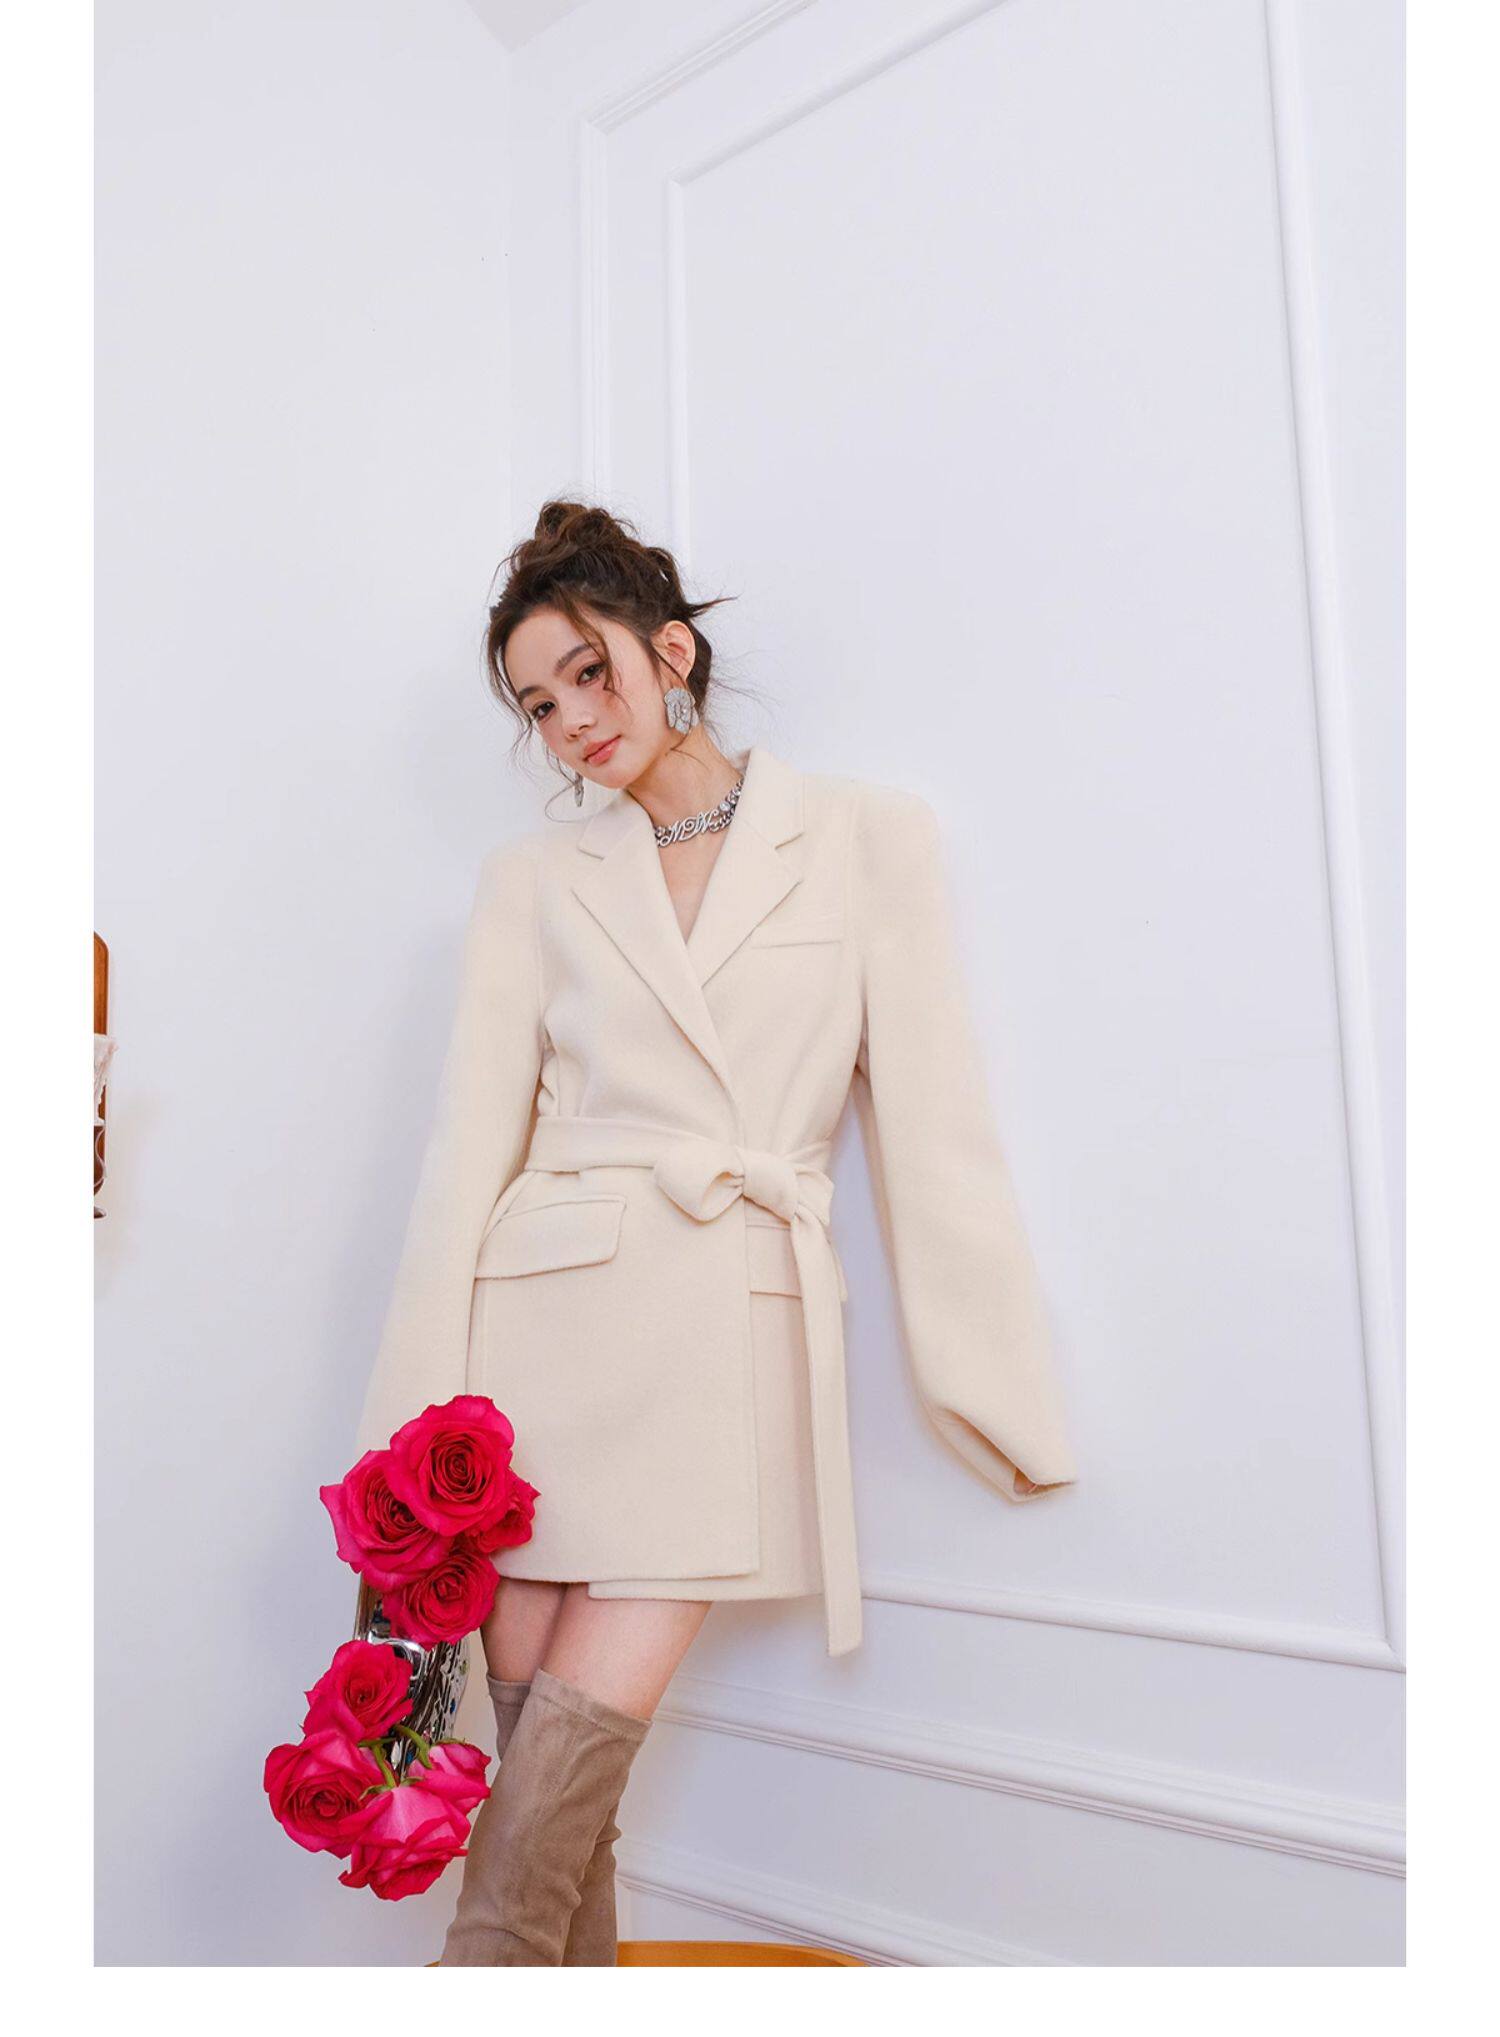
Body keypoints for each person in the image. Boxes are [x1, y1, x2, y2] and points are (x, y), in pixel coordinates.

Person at [353, 500, 1079, 1965]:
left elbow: (936, 1123)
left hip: (721, 1334)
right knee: (558, 1832)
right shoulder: (532, 882)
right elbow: (464, 1153)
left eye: (589, 674)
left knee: (524, 1852)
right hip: (534, 1347)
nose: (571, 722)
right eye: (537, 705)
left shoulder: (867, 836)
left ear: (671, 651)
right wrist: (402, 1436)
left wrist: (989, 1381)